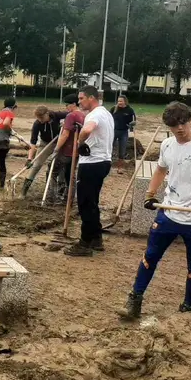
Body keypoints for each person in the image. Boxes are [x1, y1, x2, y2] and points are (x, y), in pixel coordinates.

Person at [120, 102, 191, 319]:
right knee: (150, 256)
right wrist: (150, 194)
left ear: (190, 120)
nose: (180, 129)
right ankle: (135, 298)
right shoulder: (168, 145)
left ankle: (189, 306)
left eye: (183, 123)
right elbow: (160, 170)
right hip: (168, 215)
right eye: (174, 125)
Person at [64, 85, 115, 257]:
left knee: (85, 203)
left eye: (81, 98)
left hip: (92, 163)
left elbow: (87, 129)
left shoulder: (94, 114)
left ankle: (84, 243)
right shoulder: (106, 113)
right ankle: (96, 238)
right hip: (103, 162)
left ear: (91, 98)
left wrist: (80, 143)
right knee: (92, 202)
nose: (79, 102)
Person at [22, 105, 68, 196]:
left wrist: (67, 123)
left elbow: (71, 114)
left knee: (60, 165)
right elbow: (33, 142)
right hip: (45, 144)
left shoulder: (56, 115)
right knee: (37, 165)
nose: (40, 120)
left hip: (59, 143)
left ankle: (60, 188)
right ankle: (24, 191)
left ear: (47, 114)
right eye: (38, 118)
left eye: (42, 117)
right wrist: (30, 158)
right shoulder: (37, 124)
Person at [51, 94, 84, 204]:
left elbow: (65, 135)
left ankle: (52, 197)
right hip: (76, 151)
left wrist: (56, 149)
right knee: (70, 175)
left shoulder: (71, 115)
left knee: (52, 172)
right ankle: (68, 199)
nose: (66, 107)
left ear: (74, 104)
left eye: (67, 105)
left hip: (67, 150)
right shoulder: (83, 115)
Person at [110, 95, 137, 173]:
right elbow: (108, 118)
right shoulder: (114, 109)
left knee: (122, 150)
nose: (119, 103)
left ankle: (120, 168)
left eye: (121, 101)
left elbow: (133, 120)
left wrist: (133, 124)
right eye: (118, 101)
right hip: (114, 131)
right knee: (109, 148)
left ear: (125, 101)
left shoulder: (129, 110)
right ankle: (108, 166)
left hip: (124, 132)